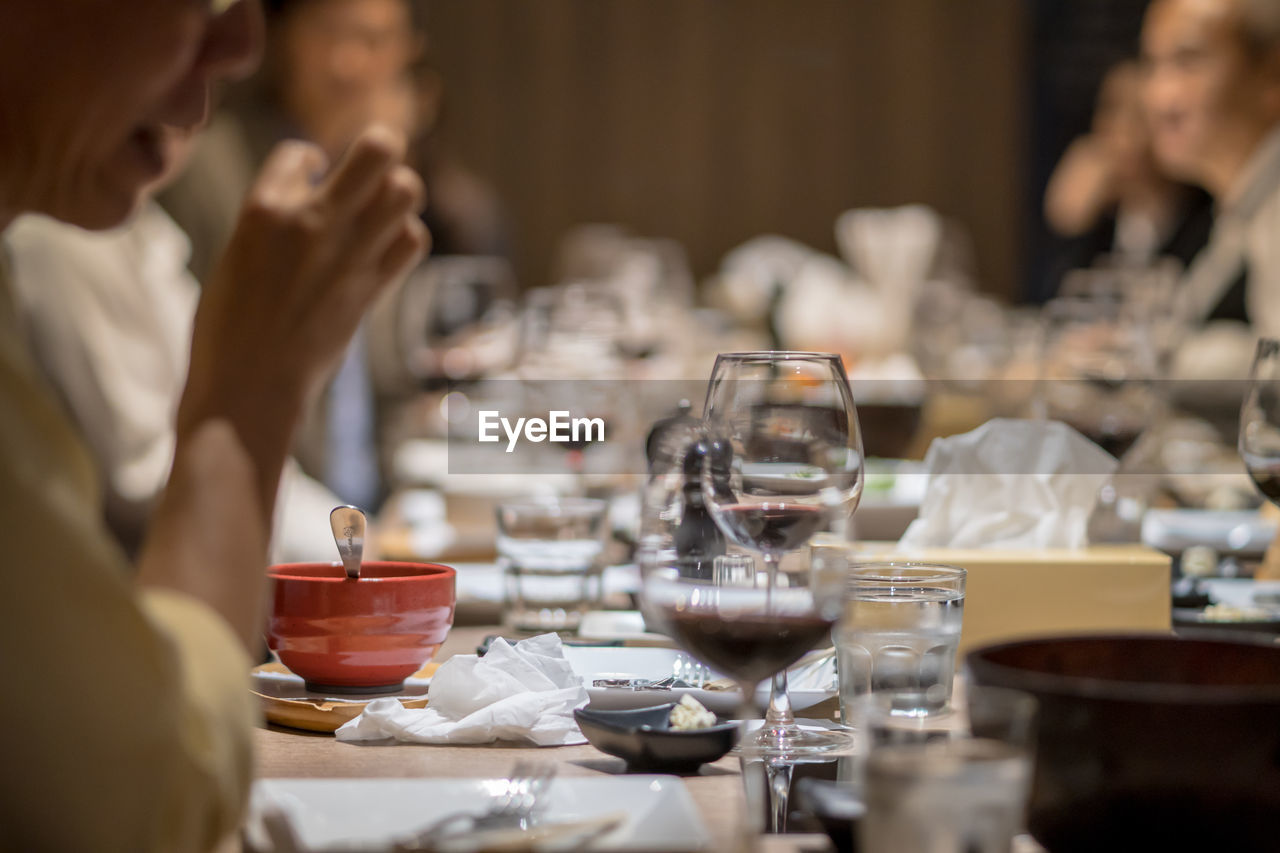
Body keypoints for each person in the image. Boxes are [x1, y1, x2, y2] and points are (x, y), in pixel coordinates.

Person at [0, 1, 427, 850]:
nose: (240, 43)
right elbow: (143, 802)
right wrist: (245, 403)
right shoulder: (110, 217)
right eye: (196, 0)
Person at [5, 135, 344, 562]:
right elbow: (146, 482)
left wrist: (352, 538)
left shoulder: (148, 230)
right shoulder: (59, 237)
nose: (192, 112)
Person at [1141, 0, 1280, 336]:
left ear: (1272, 74)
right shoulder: (1239, 204)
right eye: (1150, 65)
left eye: (1187, 61)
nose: (1160, 98)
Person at [1044, 59, 1214, 292]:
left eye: (1139, 116)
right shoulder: (1102, 218)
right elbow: (1062, 305)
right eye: (1110, 109)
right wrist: (1070, 225)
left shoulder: (1208, 217)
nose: (1119, 130)